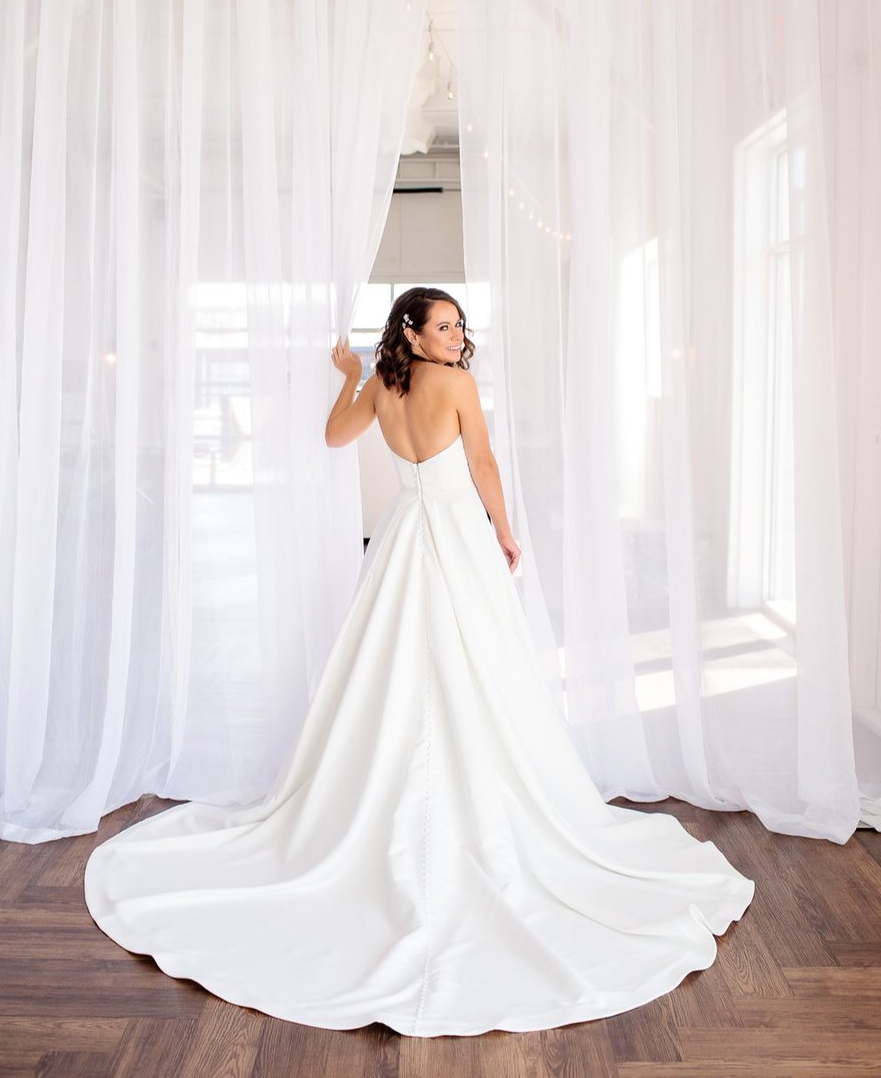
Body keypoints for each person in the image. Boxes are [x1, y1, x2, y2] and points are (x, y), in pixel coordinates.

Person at [84, 286, 754, 1038]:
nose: (457, 335)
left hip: (403, 530)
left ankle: (392, 800)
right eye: (443, 324)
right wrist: (504, 531)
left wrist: (350, 376)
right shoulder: (456, 384)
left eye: (460, 325)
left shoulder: (385, 385)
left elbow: (336, 437)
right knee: (468, 664)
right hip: (455, 530)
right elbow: (483, 462)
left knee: (396, 667)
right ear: (411, 329)